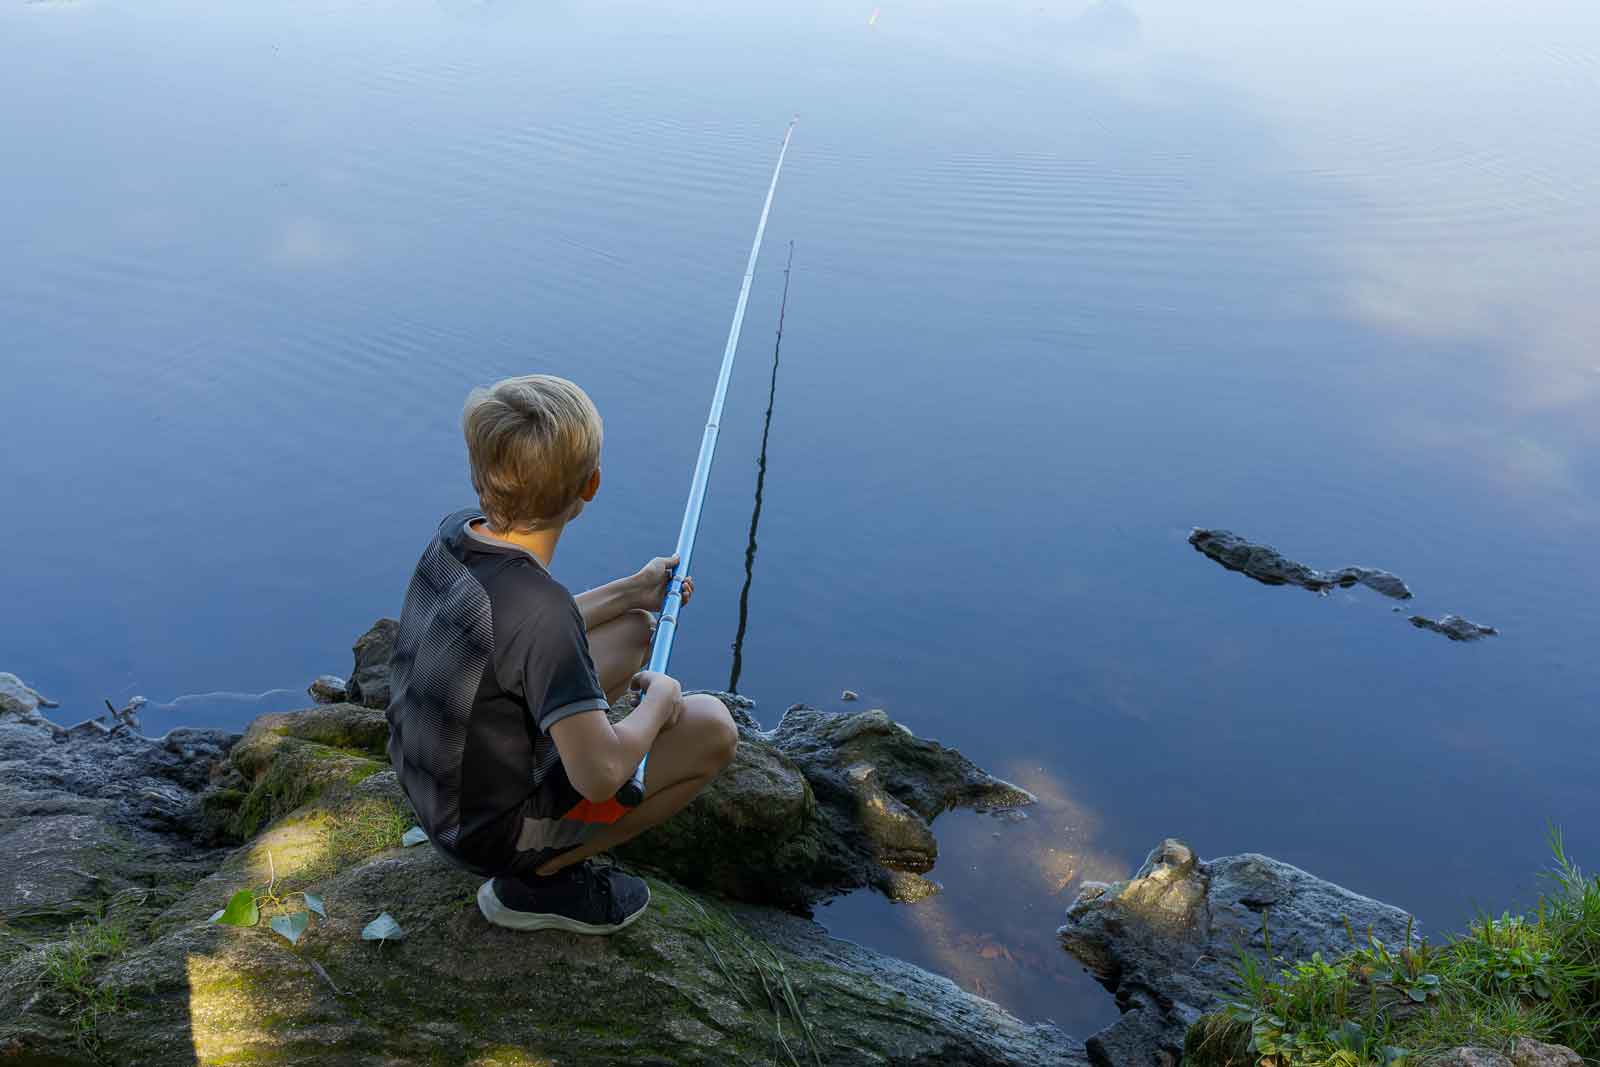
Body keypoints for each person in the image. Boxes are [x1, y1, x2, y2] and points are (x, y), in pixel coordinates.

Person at [385, 374, 739, 935]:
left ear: (481, 473)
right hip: (483, 834)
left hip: (430, 784)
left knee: (634, 630)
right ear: (591, 485)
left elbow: (518, 627)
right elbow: (600, 777)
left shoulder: (455, 534)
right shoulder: (543, 613)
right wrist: (659, 705)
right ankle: (541, 876)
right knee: (714, 727)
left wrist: (631, 590)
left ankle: (522, 829)